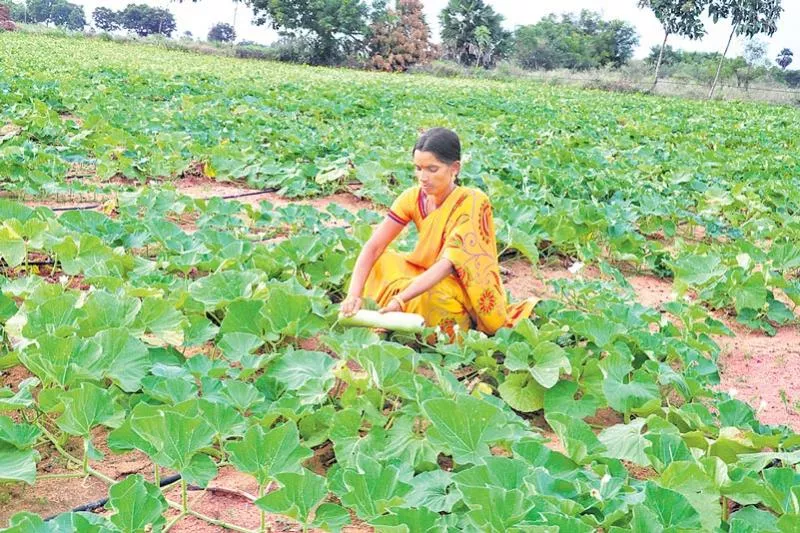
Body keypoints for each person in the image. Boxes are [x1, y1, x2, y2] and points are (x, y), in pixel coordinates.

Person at [340, 127, 537, 339]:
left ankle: (443, 324)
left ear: (455, 168)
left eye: (432, 169)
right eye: (418, 168)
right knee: (381, 262)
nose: (422, 177)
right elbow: (374, 247)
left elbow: (447, 265)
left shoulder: (471, 202)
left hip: (455, 285)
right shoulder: (412, 197)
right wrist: (354, 294)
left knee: (432, 295)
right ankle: (393, 313)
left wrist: (401, 298)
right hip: (424, 273)